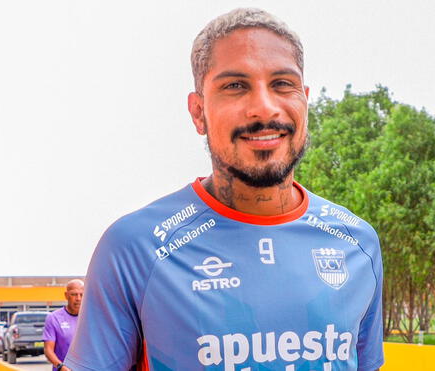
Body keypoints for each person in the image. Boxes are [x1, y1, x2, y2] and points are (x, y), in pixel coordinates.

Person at [65, 8, 383, 371]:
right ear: (198, 112)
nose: (264, 107)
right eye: (235, 86)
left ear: (305, 100)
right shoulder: (134, 247)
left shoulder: (358, 242)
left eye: (282, 84)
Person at [43, 279, 84, 371]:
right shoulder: (54, 318)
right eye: (74, 294)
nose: (78, 298)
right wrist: (60, 366)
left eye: (81, 294)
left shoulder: (90, 318)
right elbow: (48, 350)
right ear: (66, 295)